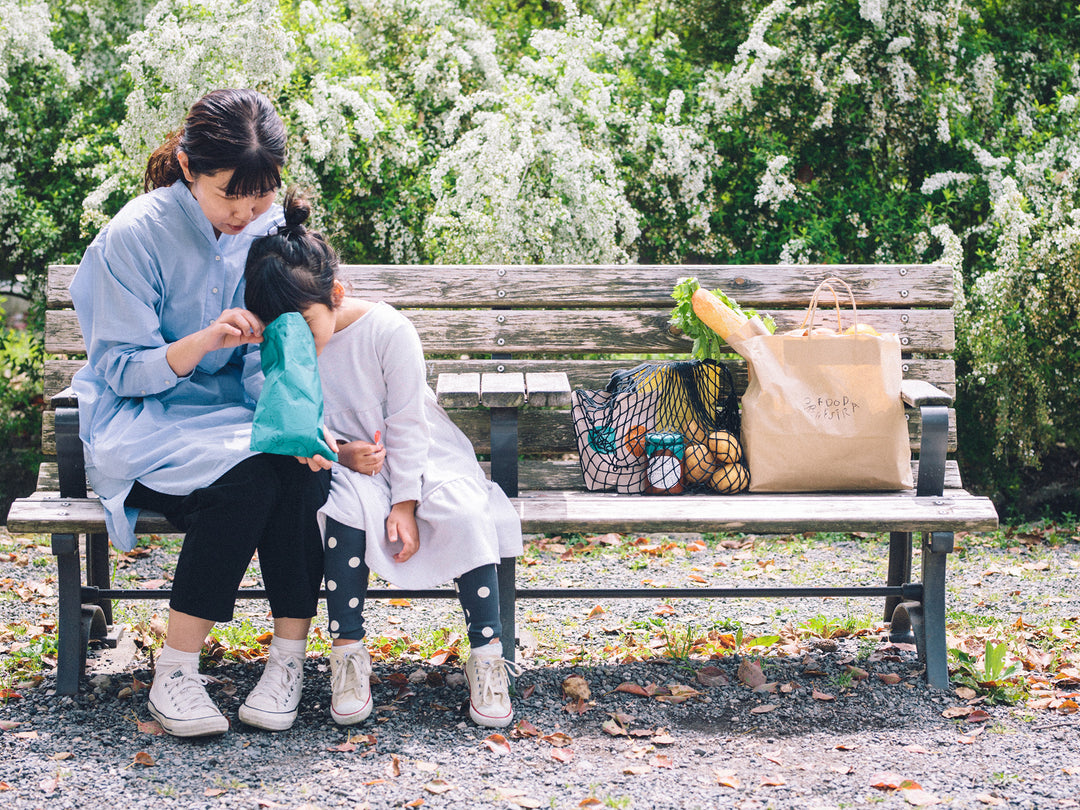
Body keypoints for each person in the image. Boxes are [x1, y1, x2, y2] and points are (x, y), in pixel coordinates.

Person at [69, 89, 331, 738]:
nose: (246, 213)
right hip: (146, 422)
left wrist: (291, 422)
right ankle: (176, 674)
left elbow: (272, 357)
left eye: (261, 196)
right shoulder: (133, 237)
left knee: (302, 467)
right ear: (188, 168)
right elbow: (123, 370)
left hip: (237, 419)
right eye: (228, 196)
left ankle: (286, 663)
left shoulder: (269, 235)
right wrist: (203, 341)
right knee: (251, 480)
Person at [243, 192, 525, 729]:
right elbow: (291, 415)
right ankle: (348, 653)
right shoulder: (286, 346)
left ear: (337, 294)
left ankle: (488, 657)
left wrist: (406, 503)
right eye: (282, 328)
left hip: (424, 459)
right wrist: (338, 451)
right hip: (353, 463)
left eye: (305, 322)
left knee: (467, 513)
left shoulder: (387, 330)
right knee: (342, 511)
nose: (296, 338)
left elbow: (409, 424)